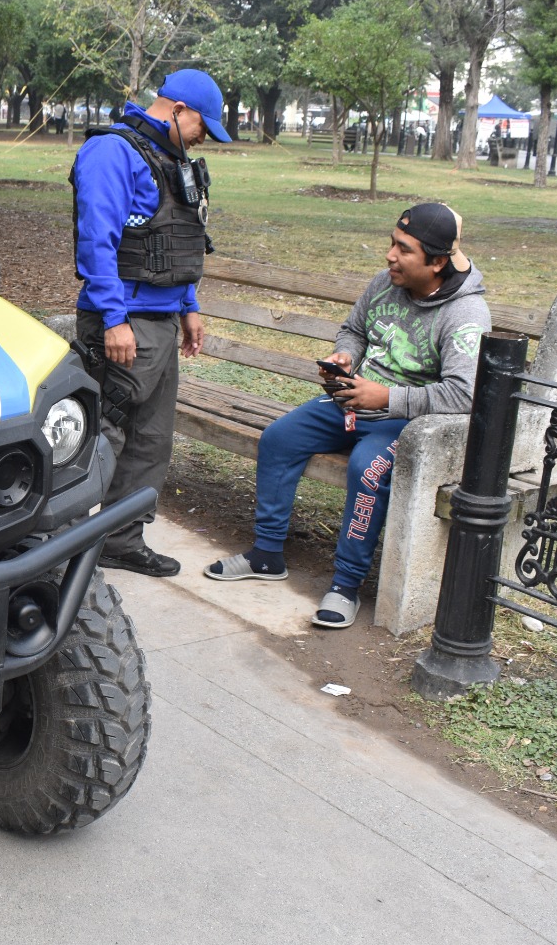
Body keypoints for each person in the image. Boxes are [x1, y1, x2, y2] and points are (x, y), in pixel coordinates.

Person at [205, 203, 491, 628]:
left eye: (404, 250)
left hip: (403, 422)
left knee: (366, 469)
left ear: (436, 262)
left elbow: (464, 393)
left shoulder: (465, 315)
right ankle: (266, 554)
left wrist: (388, 398)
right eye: (392, 243)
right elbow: (354, 329)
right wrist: (346, 355)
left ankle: (345, 584)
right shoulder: (385, 283)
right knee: (279, 439)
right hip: (352, 401)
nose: (390, 256)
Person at [73, 69, 231, 576]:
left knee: (152, 440)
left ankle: (120, 541)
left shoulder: (171, 159)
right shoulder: (111, 153)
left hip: (161, 322)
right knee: (107, 435)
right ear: (178, 109)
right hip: (124, 322)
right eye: (203, 125)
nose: (205, 137)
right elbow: (98, 243)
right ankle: (62, 541)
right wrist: (114, 320)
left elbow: (180, 237)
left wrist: (189, 306)